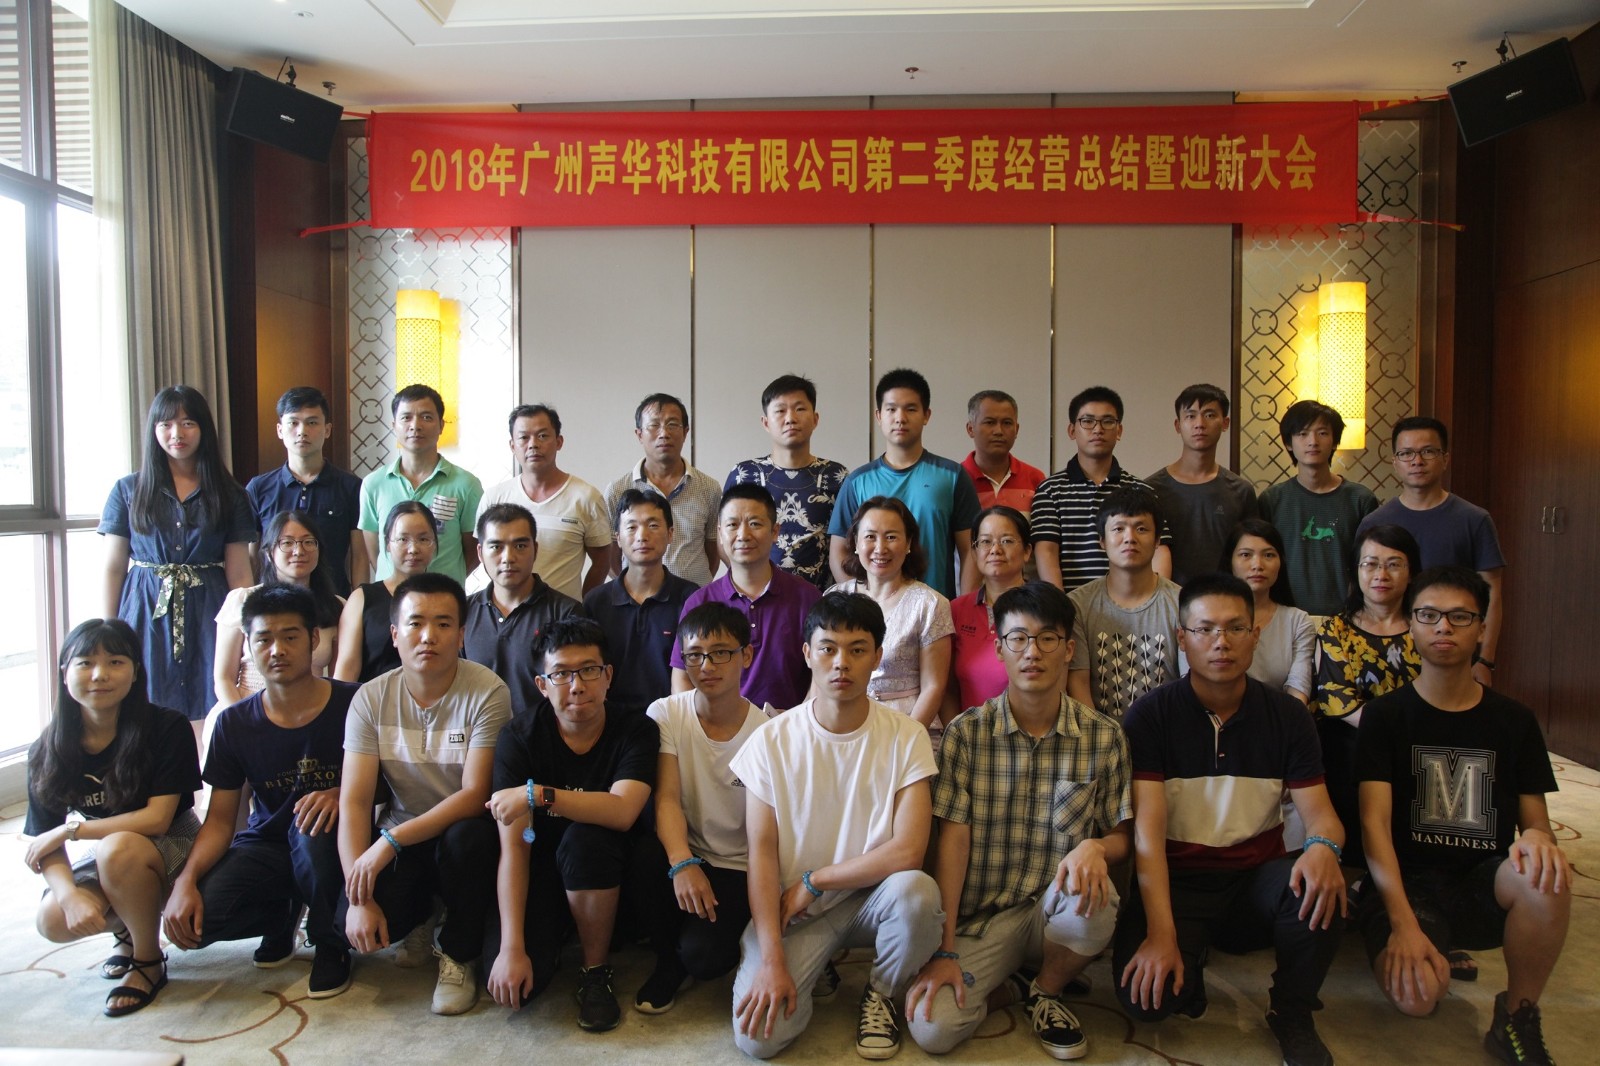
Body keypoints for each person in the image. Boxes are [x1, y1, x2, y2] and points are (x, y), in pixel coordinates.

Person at [1115, 574, 1346, 1066]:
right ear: (1182, 638)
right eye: (1204, 629)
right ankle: (1189, 952)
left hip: (1252, 882)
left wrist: (1324, 848)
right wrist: (1162, 934)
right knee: (1146, 1003)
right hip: (1178, 883)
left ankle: (1292, 1011)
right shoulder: (1150, 717)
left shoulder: (1287, 717)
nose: (1220, 642)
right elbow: (1147, 839)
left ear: (1255, 635)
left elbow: (1322, 816)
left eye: (1235, 628)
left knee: (1322, 881)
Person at [906, 582, 1132, 1061]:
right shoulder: (966, 734)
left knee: (1099, 897)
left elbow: (1120, 834)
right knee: (933, 1027)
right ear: (999, 648)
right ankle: (1019, 985)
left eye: (1048, 639)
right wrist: (944, 951)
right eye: (1018, 639)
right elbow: (953, 845)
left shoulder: (1103, 736)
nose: (1033, 652)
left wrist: (1096, 847)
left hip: (1054, 910)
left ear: (1068, 649)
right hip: (983, 920)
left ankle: (1046, 990)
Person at [1356, 567, 1568, 1063]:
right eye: (1429, 615)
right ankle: (1429, 946)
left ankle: (1516, 1014)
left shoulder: (1515, 720)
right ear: (1411, 624)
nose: (1443, 627)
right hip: (1408, 885)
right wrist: (1404, 925)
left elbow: (1536, 822)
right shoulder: (1385, 716)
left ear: (1481, 628)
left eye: (1459, 617)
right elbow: (1373, 827)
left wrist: (1539, 839)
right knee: (1417, 998)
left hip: (1482, 881)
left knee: (1547, 875)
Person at [730, 592, 943, 1060]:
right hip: (797, 912)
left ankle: (881, 993)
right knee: (760, 1040)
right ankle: (807, 964)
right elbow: (761, 855)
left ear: (878, 657)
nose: (841, 663)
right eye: (828, 648)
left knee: (918, 893)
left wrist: (817, 881)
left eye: (857, 649)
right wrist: (772, 960)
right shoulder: (770, 741)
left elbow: (908, 851)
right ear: (807, 653)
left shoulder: (906, 736)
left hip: (872, 900)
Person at [162, 585, 357, 999]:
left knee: (312, 830)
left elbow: (387, 784)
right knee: (195, 926)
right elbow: (220, 820)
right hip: (268, 844)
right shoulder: (233, 723)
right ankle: (282, 912)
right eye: (264, 639)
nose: (277, 650)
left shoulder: (354, 704)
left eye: (290, 636)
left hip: (335, 842)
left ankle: (330, 942)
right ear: (248, 647)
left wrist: (342, 793)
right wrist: (186, 880)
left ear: (314, 640)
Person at [338, 572, 509, 1016]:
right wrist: (360, 899)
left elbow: (474, 793)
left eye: (443, 624)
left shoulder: (487, 691)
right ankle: (422, 914)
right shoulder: (370, 698)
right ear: (395, 635)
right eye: (415, 623)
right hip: (403, 832)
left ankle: (459, 953)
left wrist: (387, 843)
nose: (428, 636)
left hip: (463, 834)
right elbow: (355, 801)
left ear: (462, 634)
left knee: (468, 838)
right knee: (349, 922)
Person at [484, 618, 659, 1032]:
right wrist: (512, 946)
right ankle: (558, 929)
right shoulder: (519, 737)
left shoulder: (637, 729)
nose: (577, 686)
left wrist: (539, 795)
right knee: (518, 986)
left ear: (608, 675)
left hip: (611, 870)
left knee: (585, 839)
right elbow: (515, 849)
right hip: (544, 868)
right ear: (542, 685)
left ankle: (595, 972)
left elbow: (622, 811)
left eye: (589, 670)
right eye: (561, 674)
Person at [24, 619, 202, 1017]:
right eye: (85, 663)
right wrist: (68, 896)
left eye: (115, 662)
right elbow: (45, 843)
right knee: (52, 919)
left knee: (116, 850)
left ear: (135, 671)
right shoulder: (48, 749)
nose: (99, 674)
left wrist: (71, 830)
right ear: (65, 673)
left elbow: (158, 819)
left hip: (175, 840)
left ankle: (147, 959)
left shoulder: (166, 726)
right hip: (110, 849)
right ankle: (126, 925)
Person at [100, 385, 256, 726]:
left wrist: (246, 628)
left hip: (209, 606)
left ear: (203, 429)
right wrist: (108, 628)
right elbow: (113, 567)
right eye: (166, 424)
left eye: (188, 423)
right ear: (154, 430)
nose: (177, 434)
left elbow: (239, 573)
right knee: (142, 701)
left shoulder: (231, 494)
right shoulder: (128, 490)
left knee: (210, 697)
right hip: (145, 607)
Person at [641, 604, 766, 1013]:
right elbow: (666, 797)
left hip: (737, 864)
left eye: (721, 653)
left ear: (746, 655)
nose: (707, 666)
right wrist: (683, 863)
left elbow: (767, 834)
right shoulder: (666, 713)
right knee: (638, 854)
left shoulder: (767, 733)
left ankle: (695, 951)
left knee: (705, 957)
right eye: (694, 655)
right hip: (683, 848)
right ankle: (666, 960)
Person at [1356, 416, 1505, 687]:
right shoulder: (1375, 523)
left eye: (1428, 452)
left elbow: (1492, 593)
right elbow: (1361, 592)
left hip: (1453, 650)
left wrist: (1485, 660)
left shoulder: (1474, 519)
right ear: (1395, 462)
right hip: (1389, 653)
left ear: (1445, 459)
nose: (1417, 461)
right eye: (1406, 453)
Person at [1311, 523, 1423, 866]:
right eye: (1370, 564)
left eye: (1394, 564)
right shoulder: (1336, 628)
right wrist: (1392, 734)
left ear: (1411, 571)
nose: (1381, 574)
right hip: (1354, 741)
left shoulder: (1427, 625)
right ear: (1356, 571)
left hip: (1420, 738)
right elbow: (1338, 701)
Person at [828, 367, 981, 600]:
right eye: (891, 409)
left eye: (911, 409)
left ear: (926, 415)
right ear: (879, 416)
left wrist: (964, 608)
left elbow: (971, 549)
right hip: (873, 616)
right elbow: (838, 553)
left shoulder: (953, 476)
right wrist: (863, 605)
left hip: (937, 609)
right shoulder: (857, 482)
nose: (900, 418)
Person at [671, 484, 820, 712]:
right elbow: (682, 677)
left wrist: (799, 722)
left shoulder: (807, 598)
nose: (743, 535)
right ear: (720, 533)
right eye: (732, 525)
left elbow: (821, 673)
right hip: (716, 728)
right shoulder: (700, 602)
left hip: (788, 727)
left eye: (755, 524)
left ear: (775, 532)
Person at [828, 496, 954, 738]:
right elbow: (820, 676)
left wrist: (903, 742)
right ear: (855, 543)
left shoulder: (930, 604)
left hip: (909, 727)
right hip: (843, 726)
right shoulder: (834, 598)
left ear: (909, 544)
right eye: (870, 536)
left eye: (891, 537)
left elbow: (934, 687)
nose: (880, 548)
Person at [1031, 386, 1172, 592]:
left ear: (1119, 431)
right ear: (1072, 431)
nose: (1098, 429)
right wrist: (1059, 604)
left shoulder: (1141, 490)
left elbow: (1160, 550)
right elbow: (1046, 552)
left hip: (1132, 601)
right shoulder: (1050, 490)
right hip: (1071, 603)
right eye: (1088, 421)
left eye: (1107, 421)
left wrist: (1155, 600)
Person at [725, 374, 849, 591]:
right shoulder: (743, 474)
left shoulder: (837, 476)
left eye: (800, 409)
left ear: (815, 419)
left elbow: (847, 545)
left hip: (821, 600)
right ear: (765, 422)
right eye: (780, 411)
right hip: (756, 598)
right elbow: (725, 536)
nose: (790, 418)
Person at [477, 404, 612, 602]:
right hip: (508, 613)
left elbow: (602, 561)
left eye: (542, 436)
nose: (533, 444)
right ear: (512, 446)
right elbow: (487, 555)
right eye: (524, 437)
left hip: (563, 615)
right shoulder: (494, 498)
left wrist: (583, 605)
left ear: (559, 442)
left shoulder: (586, 497)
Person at [583, 489, 700, 720]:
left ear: (670, 534)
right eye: (631, 527)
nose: (642, 536)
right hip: (609, 725)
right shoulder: (595, 602)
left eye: (653, 525)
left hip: (671, 722)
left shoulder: (690, 598)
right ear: (617, 537)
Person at [1066, 487, 1182, 720]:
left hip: (1167, 733)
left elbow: (1189, 681)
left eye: (1141, 528)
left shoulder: (1182, 603)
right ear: (1102, 541)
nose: (1130, 538)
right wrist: (1103, 736)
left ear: (1157, 540)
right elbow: (1078, 683)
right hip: (1099, 734)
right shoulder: (1077, 605)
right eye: (1118, 529)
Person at [1257, 399, 1378, 617]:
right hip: (1285, 616)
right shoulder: (1272, 500)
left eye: (1322, 433)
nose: (1313, 442)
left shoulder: (1360, 499)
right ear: (1289, 443)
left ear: (1334, 442)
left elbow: (1372, 560)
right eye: (1303, 434)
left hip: (1348, 616)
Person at [212, 510, 343, 708]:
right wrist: (241, 718)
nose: (299, 551)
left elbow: (339, 680)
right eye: (287, 543)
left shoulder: (337, 607)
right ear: (268, 552)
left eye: (308, 542)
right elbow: (224, 679)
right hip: (245, 708)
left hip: (309, 711)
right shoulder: (241, 600)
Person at [357, 383, 484, 585]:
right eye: (406, 417)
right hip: (390, 598)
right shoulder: (373, 484)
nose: (415, 425)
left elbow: (473, 550)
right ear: (394, 426)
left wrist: (445, 582)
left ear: (441, 425)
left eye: (426, 417)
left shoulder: (466, 485)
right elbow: (376, 551)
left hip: (444, 597)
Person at [246, 386, 367, 594]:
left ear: (327, 430)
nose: (302, 431)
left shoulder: (351, 487)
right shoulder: (258, 488)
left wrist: (359, 603)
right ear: (280, 430)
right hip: (273, 602)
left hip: (333, 601)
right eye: (293, 423)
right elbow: (251, 557)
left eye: (312, 422)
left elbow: (359, 557)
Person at [463, 502, 583, 714]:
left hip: (543, 733)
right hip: (478, 733)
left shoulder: (566, 613)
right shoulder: (463, 612)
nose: (508, 558)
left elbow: (574, 691)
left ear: (535, 550)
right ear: (480, 553)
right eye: (496, 547)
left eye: (520, 546)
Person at [603, 392, 722, 588]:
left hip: (693, 599)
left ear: (685, 432)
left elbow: (713, 552)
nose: (664, 433)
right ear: (639, 434)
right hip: (637, 599)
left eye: (672, 424)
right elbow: (610, 554)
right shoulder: (618, 490)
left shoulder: (709, 488)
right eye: (654, 425)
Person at [1145, 383, 1258, 585]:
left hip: (1225, 597)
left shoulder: (1241, 491)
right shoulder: (1151, 489)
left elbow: (1251, 553)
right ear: (1178, 426)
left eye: (1209, 415)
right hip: (1168, 598)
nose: (1199, 424)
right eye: (1190, 416)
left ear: (1225, 423)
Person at [943, 505, 1032, 721]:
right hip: (969, 734)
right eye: (985, 541)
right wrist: (955, 732)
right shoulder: (955, 610)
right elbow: (948, 688)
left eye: (1007, 541)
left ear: (1027, 551)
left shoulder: (1044, 608)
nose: (995, 549)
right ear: (974, 552)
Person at [333, 501, 439, 683]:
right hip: (372, 699)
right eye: (403, 539)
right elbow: (346, 671)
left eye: (423, 539)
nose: (413, 549)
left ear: (434, 543)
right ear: (388, 543)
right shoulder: (363, 598)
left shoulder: (446, 599)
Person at [1224, 519, 1314, 703]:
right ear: (1230, 561)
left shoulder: (1298, 621)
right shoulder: (1205, 618)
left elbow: (1298, 688)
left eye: (1269, 555)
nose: (1257, 565)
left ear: (1281, 562)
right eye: (1246, 555)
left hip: (1281, 716)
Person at [960, 389, 1046, 515]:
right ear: (970, 429)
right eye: (990, 422)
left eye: (1007, 423)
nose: (998, 431)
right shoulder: (955, 479)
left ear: (1016, 429)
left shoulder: (1035, 479)